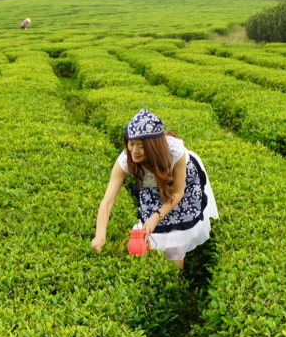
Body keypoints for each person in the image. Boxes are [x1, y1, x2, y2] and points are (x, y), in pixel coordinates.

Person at [91, 109, 218, 269]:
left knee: (175, 242)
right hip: (153, 188)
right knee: (149, 233)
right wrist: (100, 234)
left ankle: (175, 283)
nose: (134, 151)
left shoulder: (174, 152)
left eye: (141, 146)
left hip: (179, 185)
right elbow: (108, 201)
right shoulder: (125, 160)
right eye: (131, 144)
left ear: (153, 147)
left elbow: (178, 193)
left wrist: (157, 216)